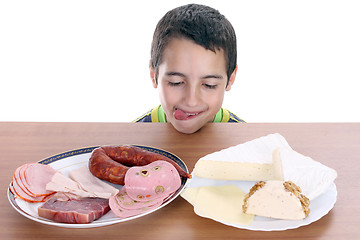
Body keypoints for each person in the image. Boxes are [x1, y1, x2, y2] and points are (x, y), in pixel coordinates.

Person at [134, 3, 245, 134]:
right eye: (176, 82)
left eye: (209, 85)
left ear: (230, 78)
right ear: (154, 75)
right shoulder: (130, 138)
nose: (191, 101)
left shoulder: (247, 141)